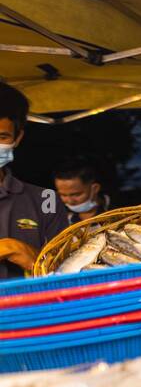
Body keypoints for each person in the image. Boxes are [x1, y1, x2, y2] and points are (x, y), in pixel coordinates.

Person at [0, 82, 64, 278]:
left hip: (33, 307)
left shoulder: (46, 199)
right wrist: (9, 247)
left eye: (2, 136)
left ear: (17, 138)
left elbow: (65, 269)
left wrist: (34, 258)